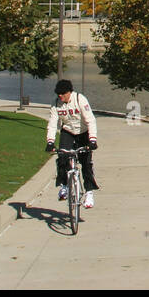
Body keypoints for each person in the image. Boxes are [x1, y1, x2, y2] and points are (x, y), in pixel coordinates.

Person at [46, 79, 99, 209]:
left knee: (86, 162)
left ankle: (89, 192)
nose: (60, 96)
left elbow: (90, 120)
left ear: (70, 92)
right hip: (68, 131)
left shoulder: (80, 99)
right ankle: (64, 185)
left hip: (83, 132)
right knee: (63, 157)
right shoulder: (56, 104)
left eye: (63, 93)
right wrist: (50, 142)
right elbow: (53, 124)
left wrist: (92, 139)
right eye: (58, 94)